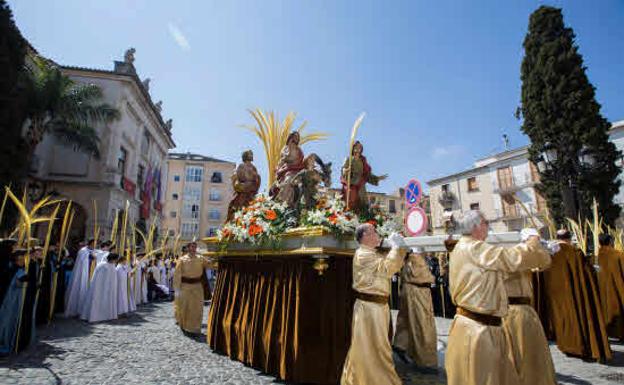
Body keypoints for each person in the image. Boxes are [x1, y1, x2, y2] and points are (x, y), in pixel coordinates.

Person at [445, 210, 550, 385]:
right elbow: (510, 259)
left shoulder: (461, 247)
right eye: (486, 222)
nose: (488, 226)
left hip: (474, 325)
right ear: (477, 226)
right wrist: (532, 242)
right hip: (479, 329)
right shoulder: (474, 247)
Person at [340, 224, 406, 385]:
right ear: (365, 236)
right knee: (375, 348)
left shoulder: (370, 253)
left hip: (376, 307)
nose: (377, 235)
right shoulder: (363, 254)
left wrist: (395, 249)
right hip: (370, 309)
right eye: (374, 232)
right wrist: (397, 248)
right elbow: (387, 268)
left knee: (375, 346)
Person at [544, 229, 611, 361]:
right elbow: (585, 273)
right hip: (576, 293)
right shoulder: (575, 252)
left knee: (563, 318)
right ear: (569, 238)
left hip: (557, 294)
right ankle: (581, 347)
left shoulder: (550, 253)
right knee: (579, 316)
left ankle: (567, 346)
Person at [502, 228, 556, 385]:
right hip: (513, 311)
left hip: (524, 310)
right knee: (520, 352)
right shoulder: (513, 254)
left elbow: (542, 264)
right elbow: (524, 256)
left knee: (531, 353)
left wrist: (543, 250)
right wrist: (533, 241)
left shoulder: (521, 257)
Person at [393, 246, 438, 370]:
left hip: (410, 291)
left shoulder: (410, 259)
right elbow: (425, 277)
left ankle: (401, 344)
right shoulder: (416, 259)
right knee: (421, 324)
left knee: (407, 320)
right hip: (418, 293)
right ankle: (425, 360)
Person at [173, 241, 213, 335]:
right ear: (188, 248)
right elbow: (177, 274)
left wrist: (216, 260)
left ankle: (195, 327)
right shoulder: (182, 260)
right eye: (192, 247)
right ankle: (184, 325)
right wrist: (177, 289)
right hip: (185, 287)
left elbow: (210, 265)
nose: (193, 249)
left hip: (197, 287)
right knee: (185, 307)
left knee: (197, 307)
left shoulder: (200, 258)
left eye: (195, 247)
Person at [340, 141, 387, 214]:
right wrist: (345, 171)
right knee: (351, 200)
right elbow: (343, 169)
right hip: (351, 183)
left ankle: (363, 217)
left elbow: (367, 174)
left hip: (361, 184)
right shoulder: (348, 158)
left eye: (360, 147)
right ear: (353, 148)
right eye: (356, 147)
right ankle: (349, 216)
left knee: (363, 203)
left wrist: (377, 178)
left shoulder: (363, 161)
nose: (358, 148)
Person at [0, 249, 32, 354]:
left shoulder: (16, 268)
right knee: (7, 320)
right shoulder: (13, 269)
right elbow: (18, 281)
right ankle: (5, 341)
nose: (23, 261)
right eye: (21, 259)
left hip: (14, 298)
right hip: (10, 299)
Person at [597, 233, 624, 340]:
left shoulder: (598, 256)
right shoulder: (619, 255)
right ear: (610, 242)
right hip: (618, 288)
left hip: (603, 289)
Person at [80, 252, 119, 323]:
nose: (116, 261)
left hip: (108, 288)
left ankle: (106, 315)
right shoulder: (102, 266)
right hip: (99, 288)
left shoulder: (112, 266)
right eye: (115, 259)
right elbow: (98, 279)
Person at [226, 150, 261, 222]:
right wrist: (241, 185)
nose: (252, 156)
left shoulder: (253, 167)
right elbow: (237, 178)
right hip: (243, 190)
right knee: (240, 207)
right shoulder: (241, 166)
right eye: (250, 154)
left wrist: (255, 180)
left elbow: (257, 179)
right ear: (246, 156)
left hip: (252, 191)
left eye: (252, 154)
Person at [65, 239, 97, 317]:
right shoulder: (83, 251)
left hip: (91, 272)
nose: (94, 246)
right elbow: (83, 259)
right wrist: (90, 256)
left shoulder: (94, 251)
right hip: (83, 273)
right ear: (89, 243)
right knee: (80, 289)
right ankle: (77, 309)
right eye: (93, 244)